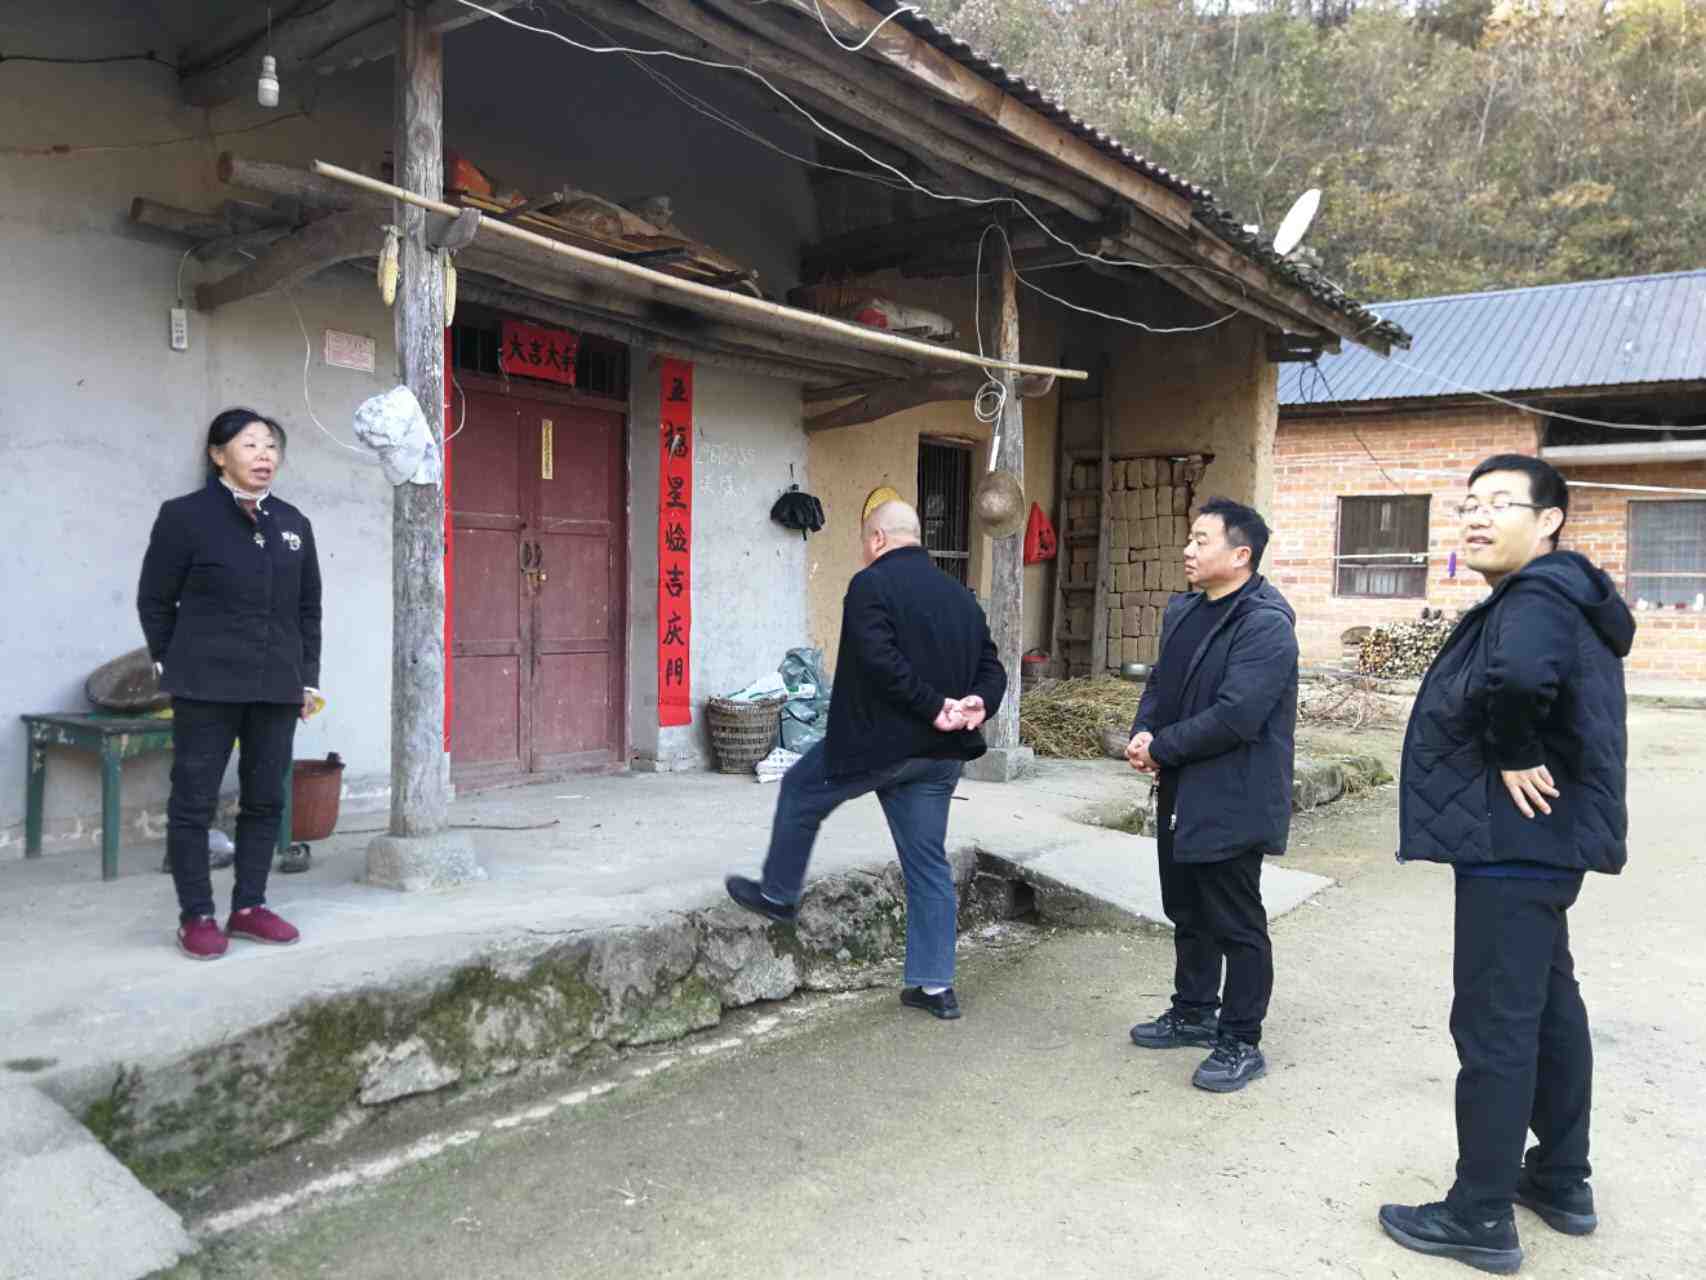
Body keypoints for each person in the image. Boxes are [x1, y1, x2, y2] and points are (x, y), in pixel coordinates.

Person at [1379, 455, 1633, 1275]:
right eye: (1468, 506)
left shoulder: (1536, 594)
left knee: (1495, 1020)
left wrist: (1515, 749)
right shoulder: (1563, 594)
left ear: (1549, 520)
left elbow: (1518, 678)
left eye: (1499, 503)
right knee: (1549, 1007)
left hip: (1513, 840)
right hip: (1543, 845)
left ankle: (1479, 1213)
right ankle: (1560, 1178)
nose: (1477, 518)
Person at [725, 500, 1006, 1020]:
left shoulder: (870, 584)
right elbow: (992, 667)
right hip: (941, 755)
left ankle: (779, 894)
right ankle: (935, 987)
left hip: (881, 746)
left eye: (863, 542)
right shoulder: (960, 596)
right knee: (927, 864)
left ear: (877, 539)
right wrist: (977, 703)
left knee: (801, 789)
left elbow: (880, 660)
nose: (863, 551)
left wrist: (931, 706)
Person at [1124, 497, 1298, 1093]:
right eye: (1190, 539)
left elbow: (1237, 716)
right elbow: (1162, 684)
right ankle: (1195, 1010)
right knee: (1187, 907)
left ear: (1241, 554)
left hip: (1234, 793)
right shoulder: (1186, 610)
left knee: (1235, 920)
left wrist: (1163, 748)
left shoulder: (1265, 624)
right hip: (1182, 785)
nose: (1188, 550)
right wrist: (1144, 733)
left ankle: (1241, 1040)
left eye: (1202, 540)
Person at [138, 409, 323, 961]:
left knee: (265, 799)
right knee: (194, 802)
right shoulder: (185, 517)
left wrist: (307, 680)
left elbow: (308, 609)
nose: (264, 455)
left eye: (271, 446)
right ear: (218, 455)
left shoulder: (292, 523)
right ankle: (196, 915)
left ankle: (249, 907)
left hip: (276, 685)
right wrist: (174, 663)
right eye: (250, 444)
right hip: (206, 685)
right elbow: (155, 600)